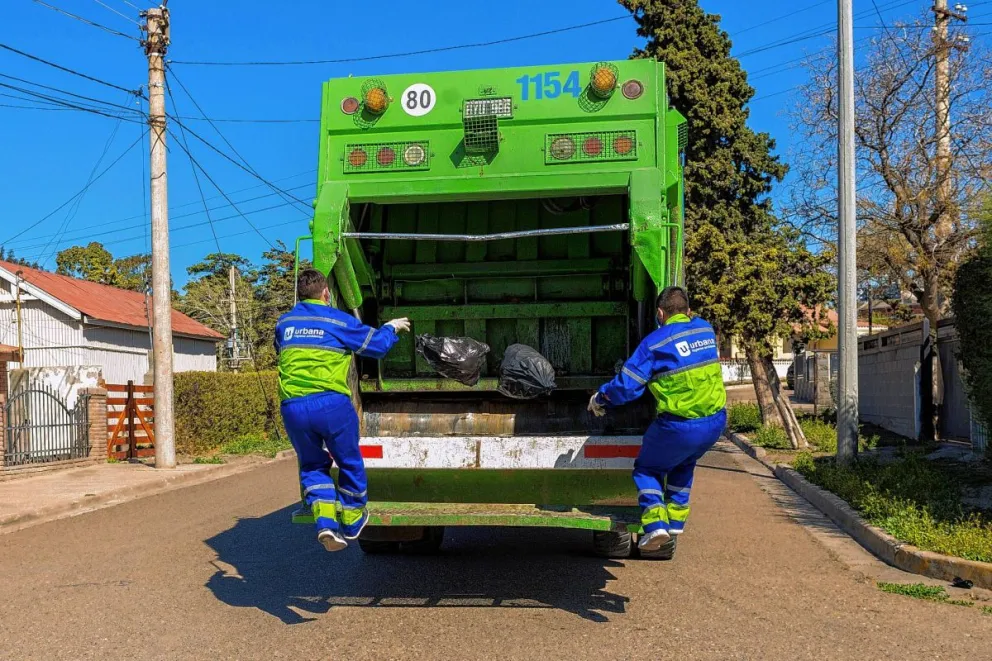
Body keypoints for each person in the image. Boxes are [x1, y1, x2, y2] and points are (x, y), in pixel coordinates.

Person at [275, 269, 410, 552]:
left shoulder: (284, 323)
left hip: (293, 407)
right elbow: (376, 347)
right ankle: (352, 519)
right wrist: (391, 328)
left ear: (300, 295)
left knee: (312, 465)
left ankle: (325, 524)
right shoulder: (336, 320)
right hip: (330, 405)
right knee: (348, 461)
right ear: (326, 293)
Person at [588, 286, 727, 553]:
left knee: (647, 469)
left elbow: (626, 387)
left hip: (679, 426)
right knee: (684, 462)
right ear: (688, 311)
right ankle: (676, 521)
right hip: (715, 422)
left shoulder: (654, 343)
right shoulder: (705, 329)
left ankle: (655, 525)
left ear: (660, 313)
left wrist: (601, 398)